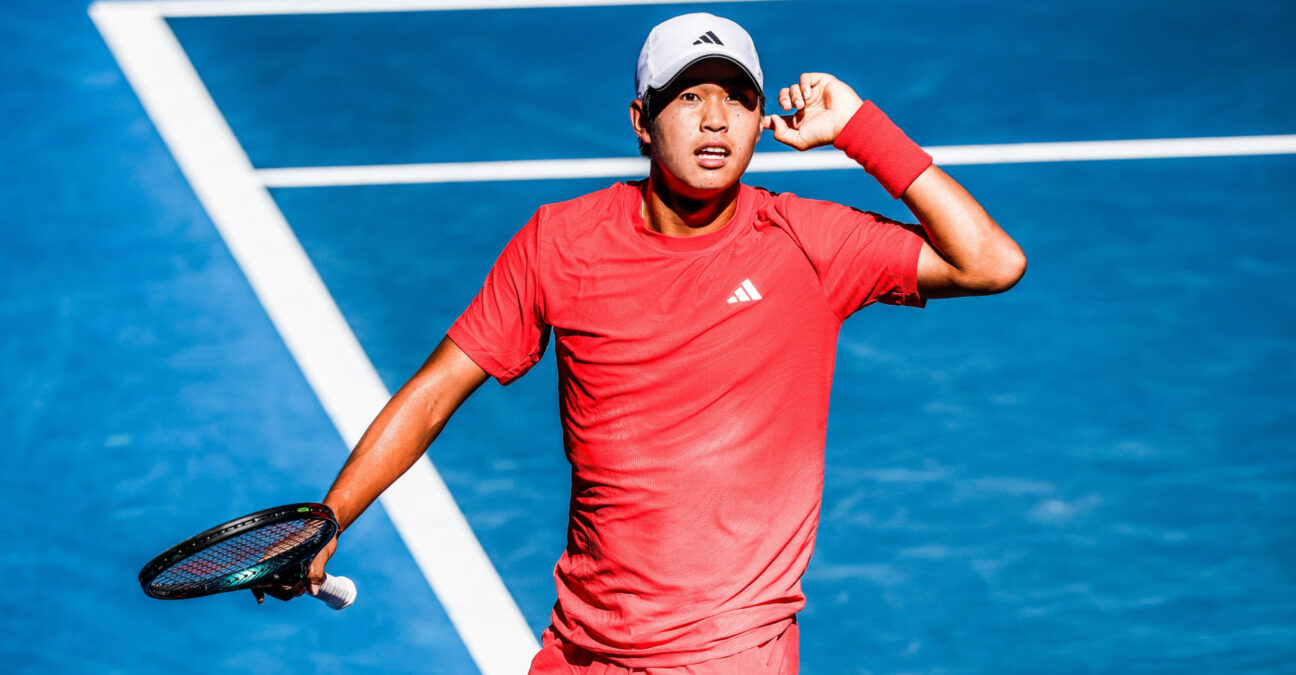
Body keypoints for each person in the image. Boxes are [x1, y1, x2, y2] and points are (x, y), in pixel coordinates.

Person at [258, 12, 1025, 673]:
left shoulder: (807, 241)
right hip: (582, 646)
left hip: (732, 649)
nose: (717, 119)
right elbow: (436, 390)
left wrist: (860, 128)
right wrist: (329, 517)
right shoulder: (560, 242)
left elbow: (991, 261)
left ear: (762, 120)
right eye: (691, 97)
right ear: (641, 118)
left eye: (738, 99)